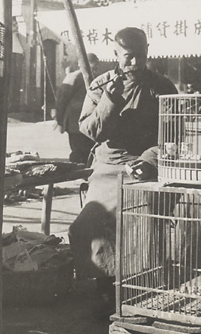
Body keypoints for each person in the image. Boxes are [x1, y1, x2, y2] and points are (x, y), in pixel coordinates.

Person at [68, 27, 177, 316]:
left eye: (141, 56)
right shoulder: (101, 86)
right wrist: (108, 102)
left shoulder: (162, 87)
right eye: (128, 57)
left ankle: (141, 289)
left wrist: (150, 159)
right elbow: (90, 131)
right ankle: (105, 287)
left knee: (142, 221)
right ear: (116, 55)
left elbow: (174, 134)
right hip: (107, 166)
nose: (135, 63)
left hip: (146, 165)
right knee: (87, 225)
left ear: (148, 52)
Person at [54, 53, 101, 164]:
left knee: (87, 151)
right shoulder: (74, 77)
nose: (94, 70)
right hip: (76, 123)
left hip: (88, 122)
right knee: (79, 152)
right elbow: (62, 100)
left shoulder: (96, 78)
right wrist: (59, 120)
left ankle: (84, 173)